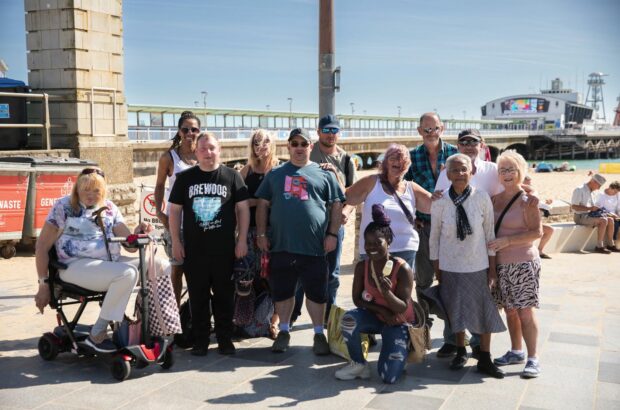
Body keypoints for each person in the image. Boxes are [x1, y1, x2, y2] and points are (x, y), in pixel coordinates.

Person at [34, 168, 150, 353]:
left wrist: (138, 233)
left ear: (103, 191)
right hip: (74, 265)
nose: (90, 194)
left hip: (109, 263)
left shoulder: (110, 208)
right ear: (77, 189)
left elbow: (130, 246)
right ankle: (97, 335)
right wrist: (43, 284)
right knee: (127, 274)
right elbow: (41, 247)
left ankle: (151, 324)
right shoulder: (63, 207)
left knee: (157, 265)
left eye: (96, 190)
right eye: (86, 189)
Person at [255, 128, 345, 355]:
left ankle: (318, 333)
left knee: (317, 294)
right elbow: (263, 204)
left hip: (314, 248)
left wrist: (332, 234)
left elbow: (336, 204)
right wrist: (262, 235)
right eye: (294, 143)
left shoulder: (324, 174)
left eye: (303, 144)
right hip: (281, 246)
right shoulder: (275, 174)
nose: (298, 148)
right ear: (288, 147)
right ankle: (283, 331)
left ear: (310, 147)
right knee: (283, 293)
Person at [168, 132, 250, 356]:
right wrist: (176, 240)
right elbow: (174, 211)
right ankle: (200, 340)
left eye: (212, 148)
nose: (208, 152)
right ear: (196, 151)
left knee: (224, 296)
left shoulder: (232, 177)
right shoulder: (185, 179)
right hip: (194, 250)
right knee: (198, 297)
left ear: (219, 149)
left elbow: (242, 209)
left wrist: (241, 239)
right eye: (203, 149)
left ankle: (224, 339)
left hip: (224, 250)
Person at [429, 153, 506, 379]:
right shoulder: (440, 202)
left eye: (464, 169)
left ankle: (484, 357)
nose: (460, 173)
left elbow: (490, 234)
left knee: (484, 311)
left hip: (478, 264)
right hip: (450, 265)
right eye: (454, 169)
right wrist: (437, 270)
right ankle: (461, 351)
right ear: (447, 174)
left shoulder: (482, 197)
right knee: (456, 310)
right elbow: (434, 239)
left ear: (472, 172)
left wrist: (492, 269)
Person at [334, 204, 415, 384]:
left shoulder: (402, 269)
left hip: (398, 321)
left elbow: (402, 306)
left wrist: (387, 294)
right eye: (368, 243)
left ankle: (402, 347)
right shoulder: (363, 267)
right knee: (348, 319)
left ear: (388, 241)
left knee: (389, 376)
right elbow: (356, 299)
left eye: (378, 243)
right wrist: (381, 310)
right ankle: (358, 364)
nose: (372, 248)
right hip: (376, 317)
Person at [291, 115, 357, 325]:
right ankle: (292, 315)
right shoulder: (309, 151)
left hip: (334, 225)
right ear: (318, 132)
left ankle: (330, 316)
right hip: (308, 227)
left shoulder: (346, 160)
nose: (330, 135)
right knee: (300, 273)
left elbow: (352, 195)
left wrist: (347, 211)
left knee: (332, 274)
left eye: (334, 131)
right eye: (326, 130)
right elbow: (296, 186)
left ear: (339, 133)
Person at [404, 112, 457, 359]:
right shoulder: (412, 157)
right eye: (426, 130)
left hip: (452, 229)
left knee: (450, 282)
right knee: (423, 282)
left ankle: (453, 337)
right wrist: (411, 216)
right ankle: (423, 329)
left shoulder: (455, 155)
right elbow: (401, 189)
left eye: (434, 128)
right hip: (424, 227)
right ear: (419, 131)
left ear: (442, 128)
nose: (431, 133)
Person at [488, 150, 543, 379]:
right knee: (510, 311)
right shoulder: (494, 199)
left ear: (520, 171)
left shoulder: (527, 200)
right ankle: (516, 351)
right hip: (501, 264)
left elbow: (537, 232)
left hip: (522, 262)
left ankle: (533, 358)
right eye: (503, 170)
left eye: (511, 169)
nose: (507, 174)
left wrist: (507, 241)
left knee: (525, 312)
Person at [345, 144, 432, 269]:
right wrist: (333, 176)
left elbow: (435, 205)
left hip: (405, 248)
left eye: (402, 159)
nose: (397, 162)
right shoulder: (371, 182)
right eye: (393, 158)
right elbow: (346, 196)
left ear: (407, 165)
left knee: (402, 288)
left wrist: (445, 180)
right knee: (373, 287)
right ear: (385, 162)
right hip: (373, 248)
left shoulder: (412, 188)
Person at [154, 111, 199, 306]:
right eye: (185, 129)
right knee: (177, 270)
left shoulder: (203, 154)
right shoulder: (169, 157)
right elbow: (158, 185)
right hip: (176, 223)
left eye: (194, 129)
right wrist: (158, 211)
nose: (190, 132)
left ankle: (195, 312)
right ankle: (175, 313)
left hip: (200, 222)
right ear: (179, 132)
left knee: (198, 269)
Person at [239, 129, 281, 339]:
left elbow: (280, 202)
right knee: (252, 276)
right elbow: (238, 203)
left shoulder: (278, 169)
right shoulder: (246, 171)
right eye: (256, 143)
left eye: (265, 142)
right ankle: (253, 319)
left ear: (271, 144)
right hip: (250, 231)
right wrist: (261, 201)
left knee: (274, 277)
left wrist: (254, 201)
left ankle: (275, 321)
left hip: (274, 231)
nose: (260, 146)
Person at [571, 173, 619, 254]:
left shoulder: (593, 192)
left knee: (610, 219)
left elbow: (596, 208)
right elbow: (574, 207)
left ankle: (611, 244)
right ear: (593, 182)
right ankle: (599, 246)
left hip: (590, 215)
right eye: (599, 185)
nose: (599, 188)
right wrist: (589, 208)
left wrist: (608, 213)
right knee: (603, 220)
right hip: (580, 216)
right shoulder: (579, 190)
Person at [523, 175, 555, 259]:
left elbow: (539, 205)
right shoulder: (522, 195)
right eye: (528, 185)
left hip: (532, 223)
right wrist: (546, 206)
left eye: (530, 184)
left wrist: (546, 203)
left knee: (550, 230)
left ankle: (540, 251)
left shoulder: (531, 195)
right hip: (524, 225)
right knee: (537, 231)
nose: (530, 186)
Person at [595, 181, 620, 248]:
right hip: (605, 214)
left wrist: (618, 214)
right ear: (610, 188)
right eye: (615, 191)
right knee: (616, 223)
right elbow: (600, 209)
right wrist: (612, 215)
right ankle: (612, 243)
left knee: (617, 220)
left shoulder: (617, 194)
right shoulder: (602, 195)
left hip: (616, 215)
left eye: (617, 192)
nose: (616, 193)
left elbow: (618, 207)